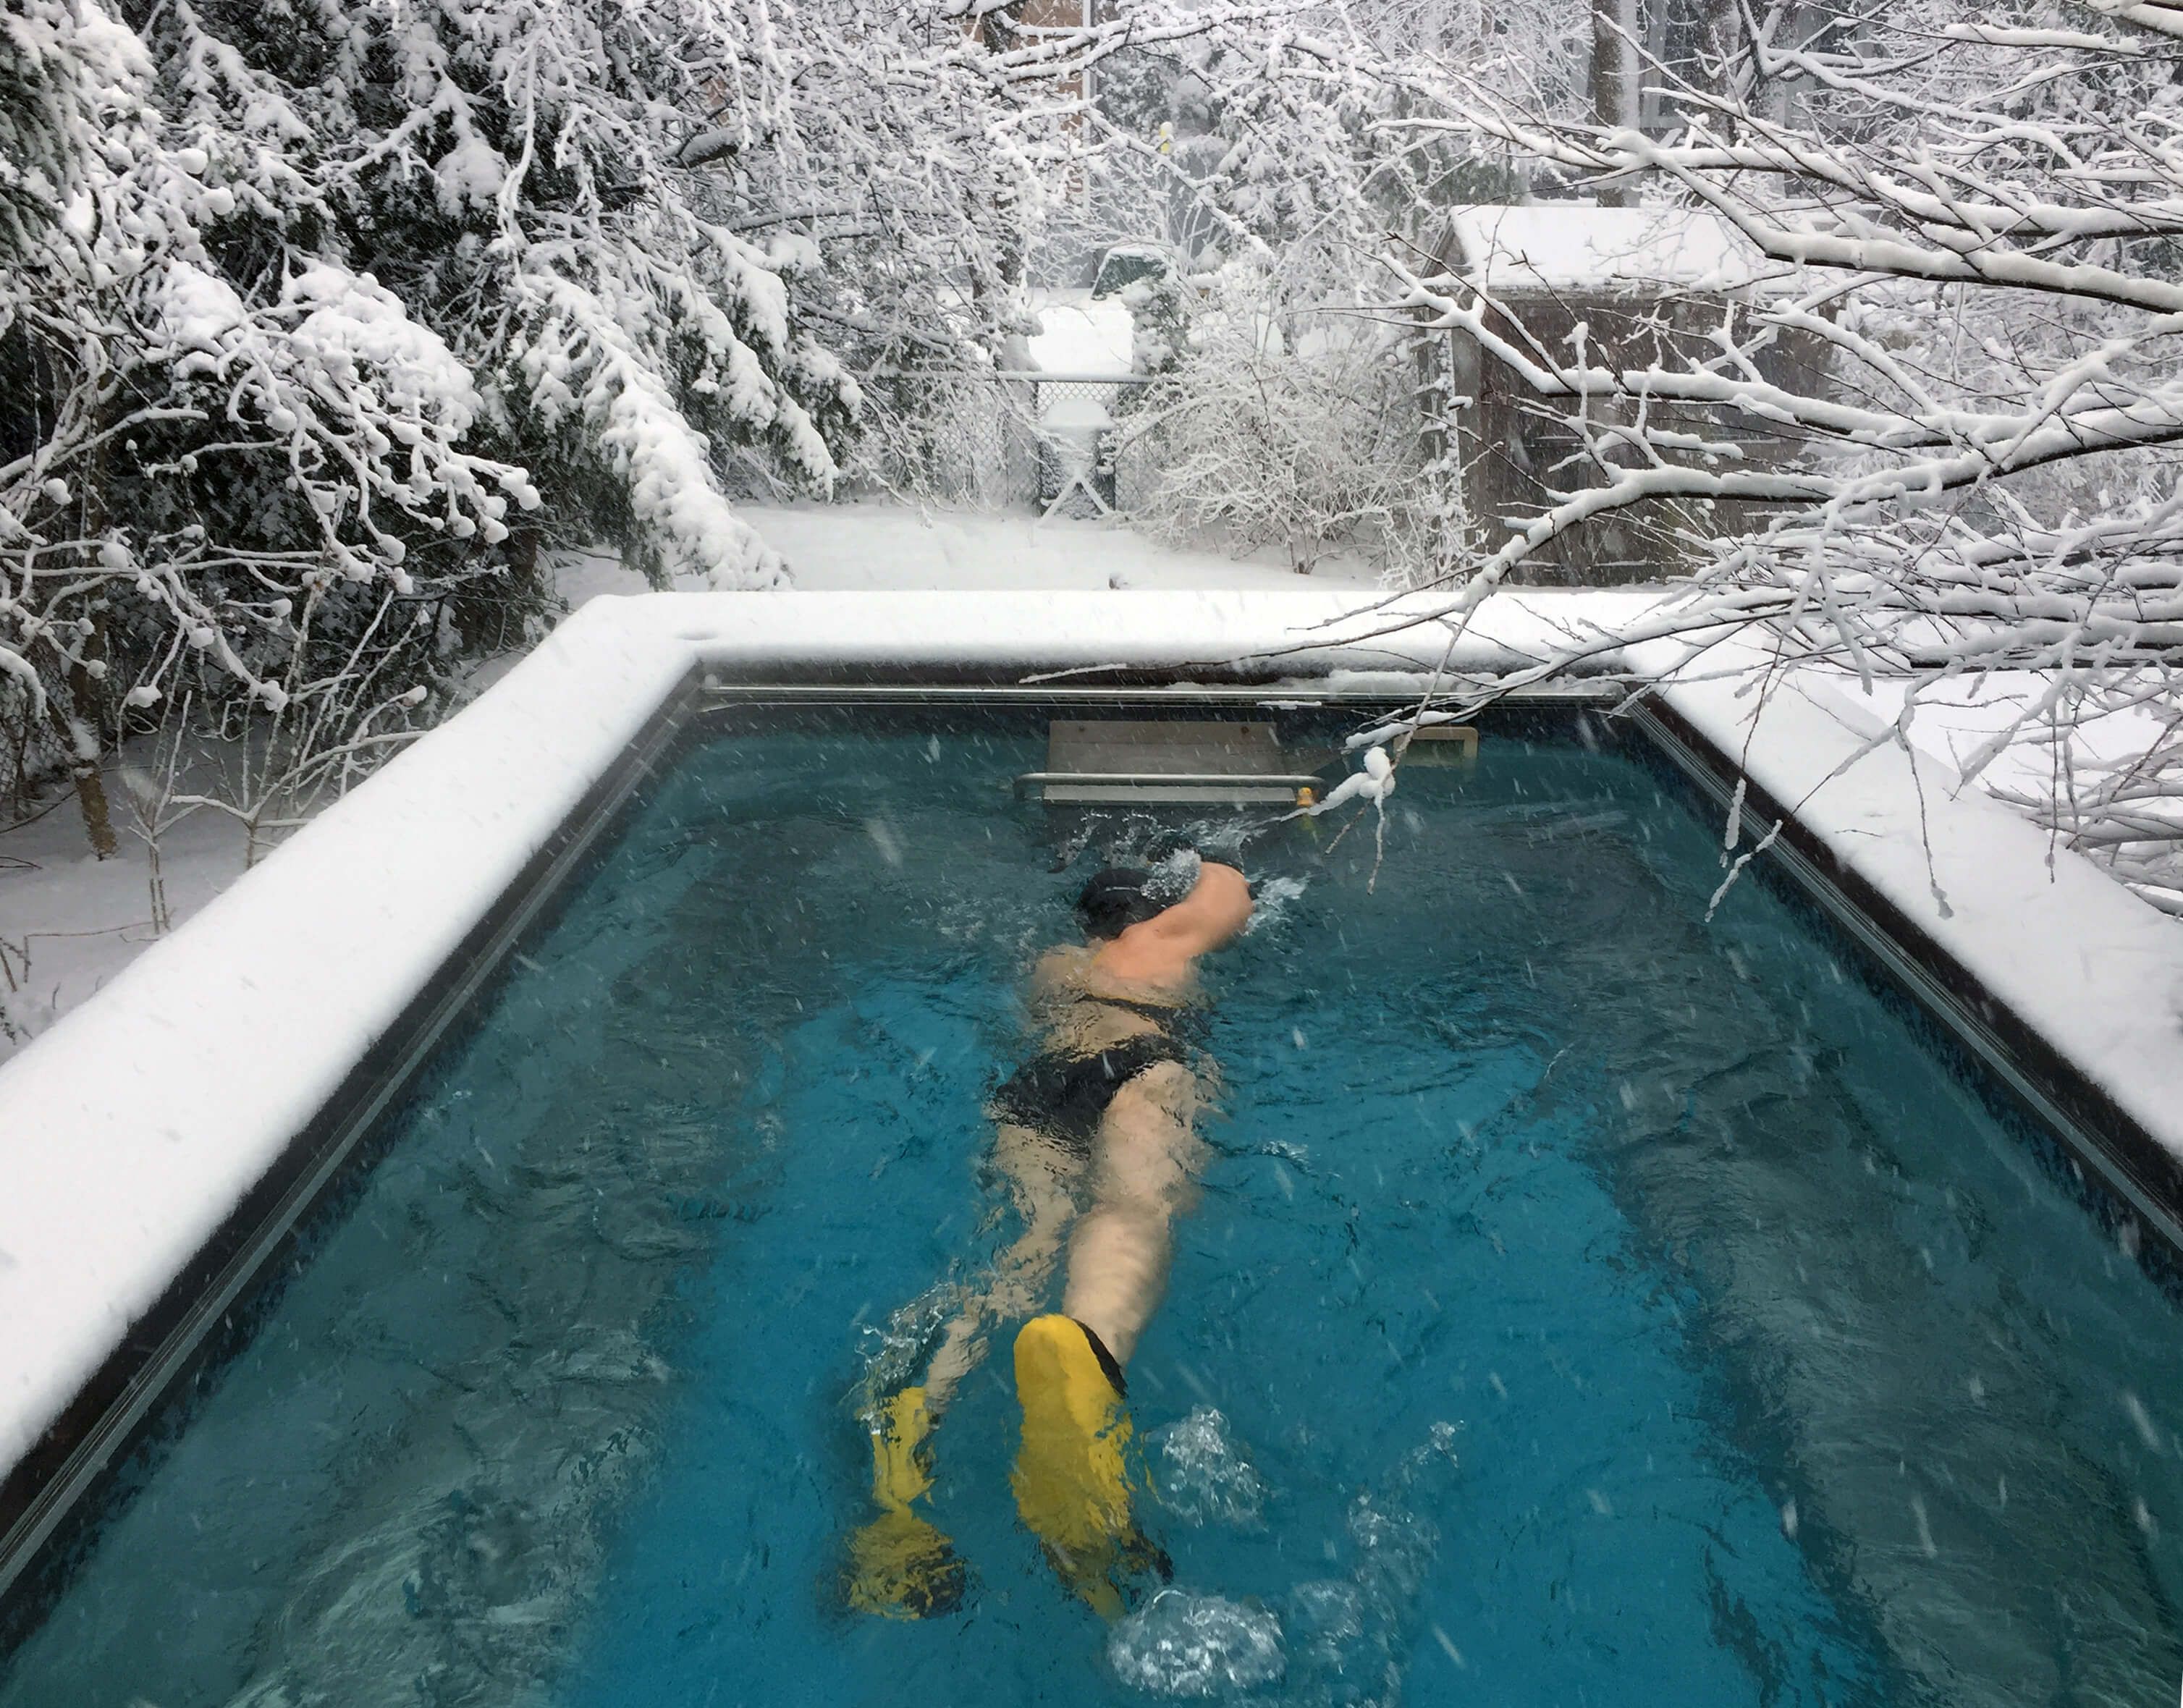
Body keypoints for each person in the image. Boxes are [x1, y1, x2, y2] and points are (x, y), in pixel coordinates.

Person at [845, 856, 1255, 1620]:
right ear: (1144, 911)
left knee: (1022, 1249)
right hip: (1144, 1063)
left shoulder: (1058, 967)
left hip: (1040, 1085)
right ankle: (1085, 1358)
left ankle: (912, 1419)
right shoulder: (1162, 939)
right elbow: (1230, 895)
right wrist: (1212, 861)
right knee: (1130, 1212)